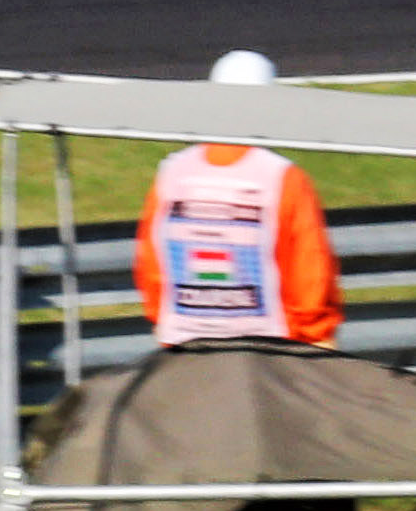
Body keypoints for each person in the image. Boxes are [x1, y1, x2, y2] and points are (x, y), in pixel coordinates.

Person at [135, 49, 342, 349]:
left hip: (183, 352)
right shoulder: (283, 178)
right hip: (268, 359)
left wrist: (165, 322)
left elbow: (152, 265)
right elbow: (310, 276)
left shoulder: (172, 173)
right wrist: (317, 337)